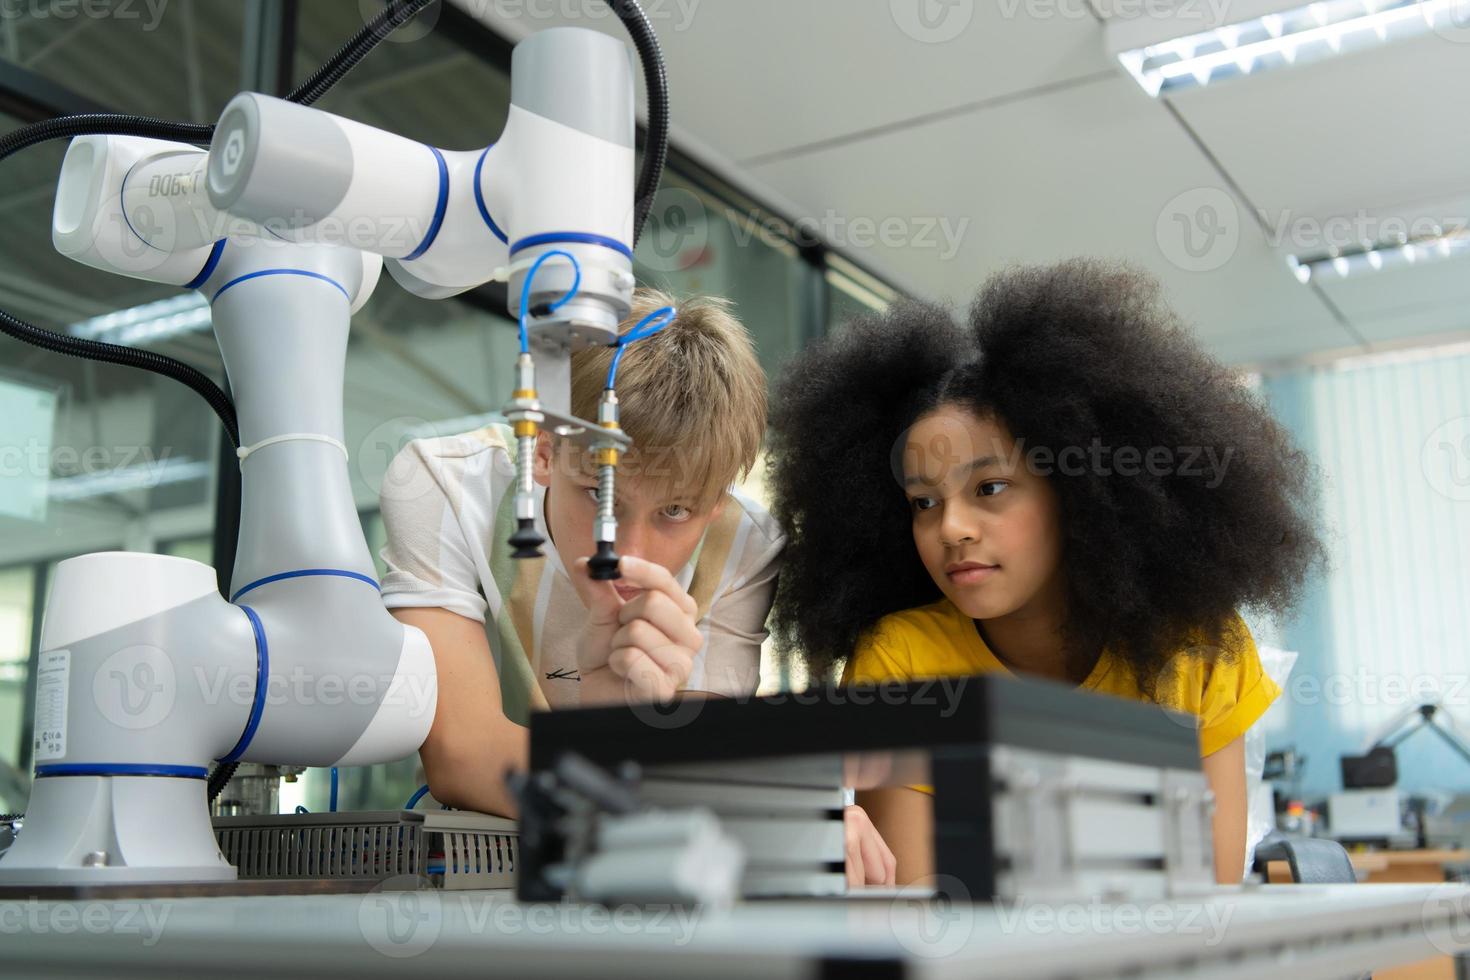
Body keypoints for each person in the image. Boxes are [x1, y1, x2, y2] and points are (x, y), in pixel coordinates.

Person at [767, 260, 1323, 884]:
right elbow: (922, 909)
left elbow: (1207, 901)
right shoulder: (902, 664)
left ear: (1080, 494)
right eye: (923, 502)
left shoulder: (1195, 649)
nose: (951, 527)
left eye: (991, 487)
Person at [380, 288, 896, 886]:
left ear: (721, 495)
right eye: (601, 498)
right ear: (544, 449)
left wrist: (757, 806)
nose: (626, 553)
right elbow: (463, 755)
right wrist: (768, 817)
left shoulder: (745, 545)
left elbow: (694, 763)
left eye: (675, 511)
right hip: (475, 866)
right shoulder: (443, 486)